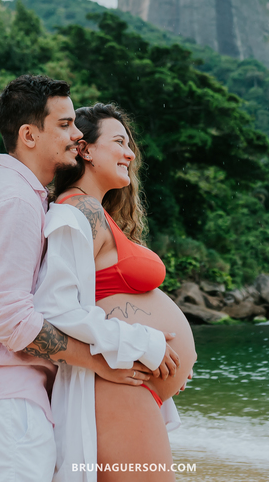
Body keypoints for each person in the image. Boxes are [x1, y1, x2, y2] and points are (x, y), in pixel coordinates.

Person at [0, 76, 171, 482]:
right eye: (64, 125)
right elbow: (12, 321)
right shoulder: (14, 201)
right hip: (1, 408)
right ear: (29, 135)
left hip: (0, 406)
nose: (76, 134)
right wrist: (106, 362)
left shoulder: (24, 197)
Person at [38, 103, 197, 482]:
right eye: (119, 142)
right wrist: (145, 345)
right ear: (86, 150)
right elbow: (56, 308)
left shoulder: (93, 212)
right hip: (117, 386)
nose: (130, 153)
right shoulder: (78, 211)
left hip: (131, 386)